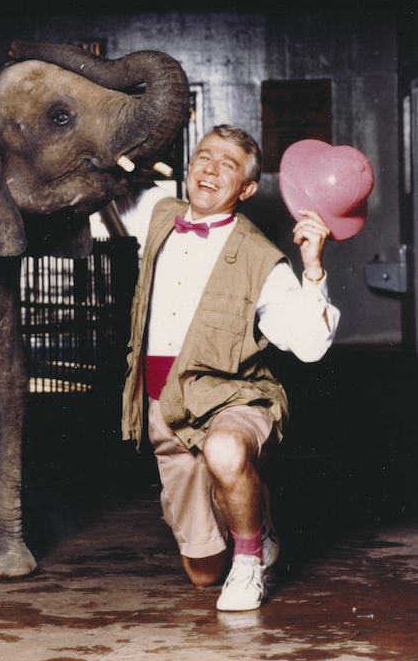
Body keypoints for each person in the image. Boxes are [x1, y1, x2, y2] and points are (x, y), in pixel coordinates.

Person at [121, 124, 340, 611]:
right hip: (168, 411)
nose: (211, 168)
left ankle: (249, 559)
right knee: (202, 574)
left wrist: (313, 268)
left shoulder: (264, 259)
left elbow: (307, 345)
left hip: (234, 399)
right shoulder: (160, 216)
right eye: (204, 156)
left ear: (245, 189)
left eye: (227, 165)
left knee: (224, 451)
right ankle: (253, 517)